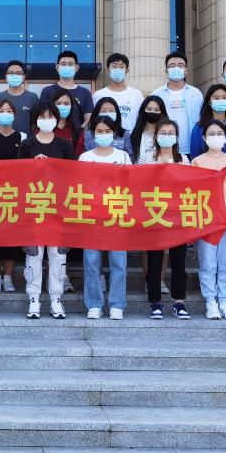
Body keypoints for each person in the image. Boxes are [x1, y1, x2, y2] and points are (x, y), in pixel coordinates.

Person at [19, 101, 76, 319]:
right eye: (42, 116)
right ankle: (34, 298)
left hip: (58, 208)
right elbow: (17, 176)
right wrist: (34, 166)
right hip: (34, 207)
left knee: (57, 254)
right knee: (34, 254)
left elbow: (73, 175)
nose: (46, 120)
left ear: (56, 119)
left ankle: (56, 298)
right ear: (35, 120)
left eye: (50, 116)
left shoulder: (64, 145)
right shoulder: (27, 145)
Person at [191, 119, 226, 321]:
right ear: (204, 138)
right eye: (211, 134)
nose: (216, 137)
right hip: (206, 220)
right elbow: (192, 191)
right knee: (207, 261)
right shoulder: (197, 162)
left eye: (219, 134)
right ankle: (210, 301)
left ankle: (224, 300)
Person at [80, 116, 131, 320]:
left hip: (117, 214)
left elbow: (132, 185)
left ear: (114, 133)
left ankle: (117, 304)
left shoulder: (123, 156)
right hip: (92, 215)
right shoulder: (84, 157)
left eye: (107, 131)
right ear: (92, 134)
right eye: (99, 131)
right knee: (92, 261)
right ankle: (94, 304)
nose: (103, 135)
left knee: (119, 261)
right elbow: (79, 185)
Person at [140, 118, 191, 320]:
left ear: (177, 137)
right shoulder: (147, 158)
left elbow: (190, 186)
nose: (167, 136)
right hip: (155, 214)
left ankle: (179, 302)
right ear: (156, 136)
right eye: (163, 133)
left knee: (179, 262)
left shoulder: (183, 159)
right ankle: (155, 302)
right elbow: (138, 183)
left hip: (178, 216)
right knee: (154, 261)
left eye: (171, 133)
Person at [0, 96, 26, 293]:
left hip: (14, 194)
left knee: (12, 236)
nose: (5, 114)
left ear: (15, 115)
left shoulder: (23, 137)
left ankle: (8, 277)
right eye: (1, 111)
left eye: (9, 111)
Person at [151, 51, 203, 157]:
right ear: (166, 71)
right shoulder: (157, 94)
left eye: (180, 65)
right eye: (172, 65)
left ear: (186, 70)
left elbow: (203, 118)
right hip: (165, 148)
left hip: (191, 147)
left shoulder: (196, 93)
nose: (176, 68)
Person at [189, 84, 226, 158]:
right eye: (216, 98)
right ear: (209, 102)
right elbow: (195, 156)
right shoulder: (198, 128)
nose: (221, 100)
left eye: (224, 98)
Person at [40, 50, 94, 126]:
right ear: (57, 67)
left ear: (77, 67)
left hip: (77, 132)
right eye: (63, 64)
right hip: (52, 132)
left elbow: (88, 119)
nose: (66, 67)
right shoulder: (47, 91)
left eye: (70, 64)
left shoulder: (85, 92)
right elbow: (42, 116)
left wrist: (79, 131)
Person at [93, 53, 144, 132]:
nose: (118, 69)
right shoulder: (98, 95)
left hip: (130, 137)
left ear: (127, 70)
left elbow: (141, 119)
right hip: (105, 137)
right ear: (108, 70)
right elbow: (94, 119)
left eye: (121, 66)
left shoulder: (136, 94)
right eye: (114, 66)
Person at [0, 60, 39, 135]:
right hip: (2, 139)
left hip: (26, 141)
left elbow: (35, 123)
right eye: (11, 73)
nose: (15, 76)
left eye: (18, 73)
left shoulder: (33, 98)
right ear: (6, 76)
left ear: (23, 77)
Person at [129, 95, 169, 165]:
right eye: (149, 109)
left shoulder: (167, 135)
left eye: (156, 110)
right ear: (143, 110)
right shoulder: (136, 134)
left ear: (162, 112)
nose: (152, 112)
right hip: (140, 170)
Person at [50, 86, 85, 156]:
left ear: (71, 106)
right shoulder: (43, 127)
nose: (62, 106)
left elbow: (79, 156)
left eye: (66, 104)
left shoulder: (77, 131)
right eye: (58, 103)